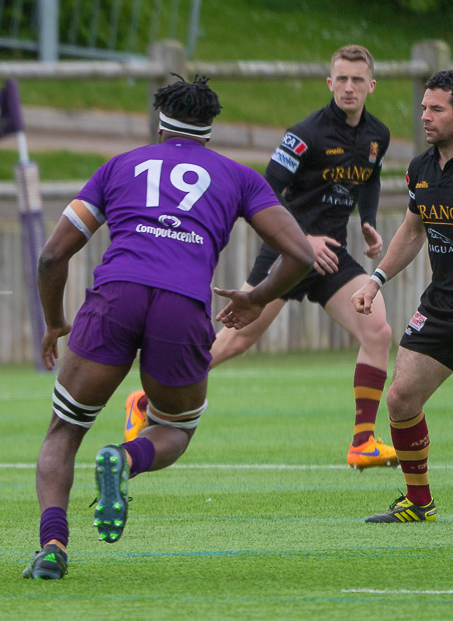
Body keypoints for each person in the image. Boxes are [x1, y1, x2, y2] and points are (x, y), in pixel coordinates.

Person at [23, 76, 314, 580]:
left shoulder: (120, 166)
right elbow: (301, 255)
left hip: (115, 296)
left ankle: (52, 547)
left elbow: (52, 257)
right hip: (181, 305)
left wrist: (54, 323)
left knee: (65, 431)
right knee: (175, 428)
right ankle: (125, 457)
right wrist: (256, 297)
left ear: (160, 123)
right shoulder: (239, 177)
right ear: (208, 128)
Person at [122, 46, 397, 471]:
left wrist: (369, 221)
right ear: (329, 83)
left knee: (378, 331)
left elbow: (371, 179)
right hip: (290, 253)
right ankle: (144, 400)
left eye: (357, 80)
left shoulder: (378, 134)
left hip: (332, 259)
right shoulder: (304, 134)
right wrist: (303, 240)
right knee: (237, 340)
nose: (348, 87)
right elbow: (265, 193)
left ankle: (363, 441)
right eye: (340, 79)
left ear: (371, 86)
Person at [349, 70, 453, 524]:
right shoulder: (421, 169)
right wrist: (376, 279)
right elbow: (412, 231)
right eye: (424, 107)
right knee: (401, 398)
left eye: (437, 109)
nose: (425, 116)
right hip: (442, 304)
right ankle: (419, 501)